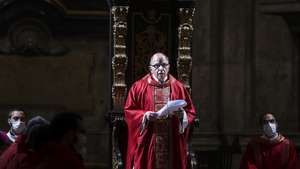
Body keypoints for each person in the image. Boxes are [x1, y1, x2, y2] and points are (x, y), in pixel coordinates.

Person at [124, 52, 197, 169]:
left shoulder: (178, 87)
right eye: (157, 66)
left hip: (172, 142)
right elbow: (129, 111)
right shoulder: (138, 87)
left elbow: (190, 112)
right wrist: (145, 116)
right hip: (149, 142)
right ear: (150, 69)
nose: (161, 69)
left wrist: (182, 115)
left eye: (164, 65)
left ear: (169, 67)